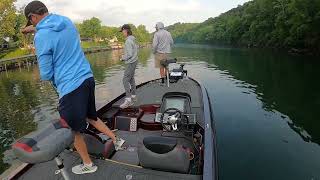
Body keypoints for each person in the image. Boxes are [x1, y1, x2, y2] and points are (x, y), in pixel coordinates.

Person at [21, 1, 125, 175]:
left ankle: (87, 164)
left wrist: (38, 43)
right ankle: (116, 140)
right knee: (91, 116)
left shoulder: (41, 37)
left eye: (31, 22)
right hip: (87, 78)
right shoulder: (66, 21)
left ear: (33, 17)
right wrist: (33, 30)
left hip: (70, 86)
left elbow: (46, 74)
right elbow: (49, 28)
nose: (32, 25)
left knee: (73, 130)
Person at [119, 24, 139, 109]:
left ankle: (128, 100)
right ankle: (134, 96)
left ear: (126, 31)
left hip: (130, 62)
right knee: (131, 79)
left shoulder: (128, 41)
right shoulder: (133, 39)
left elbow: (129, 54)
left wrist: (122, 58)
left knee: (125, 80)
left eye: (122, 31)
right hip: (134, 61)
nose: (122, 33)